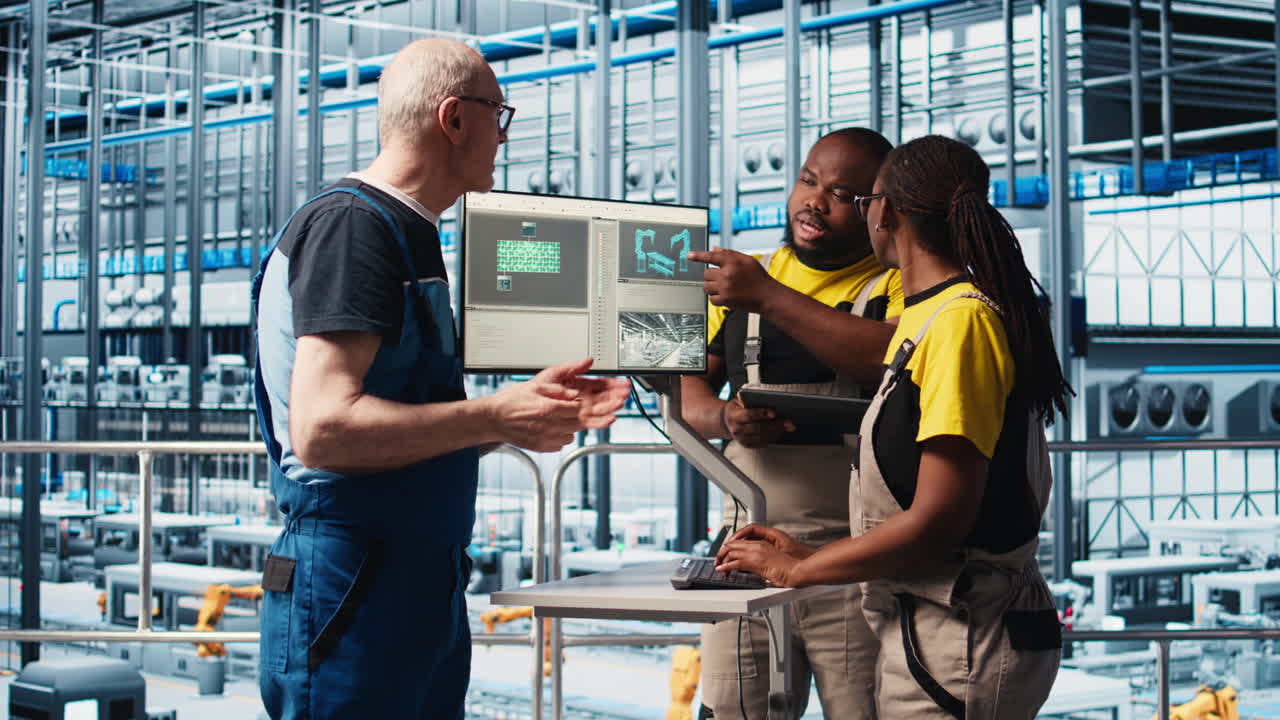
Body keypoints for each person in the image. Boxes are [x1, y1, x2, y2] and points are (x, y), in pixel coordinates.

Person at [251, 38, 630, 719]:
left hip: (409, 580)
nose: (503, 138)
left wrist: (526, 412)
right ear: (453, 118)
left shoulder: (408, 231)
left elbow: (410, 424)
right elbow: (324, 430)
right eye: (497, 116)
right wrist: (493, 415)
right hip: (351, 584)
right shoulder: (353, 228)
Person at [716, 134, 1070, 719]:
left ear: (883, 212)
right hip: (932, 626)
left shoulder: (960, 323)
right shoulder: (929, 316)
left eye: (855, 199)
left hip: (965, 635)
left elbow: (939, 520)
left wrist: (801, 569)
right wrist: (806, 553)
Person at [681, 128, 902, 720]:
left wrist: (768, 296)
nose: (814, 202)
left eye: (841, 194)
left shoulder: (891, 285)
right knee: (732, 709)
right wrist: (725, 417)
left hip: (850, 565)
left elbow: (886, 358)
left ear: (875, 210)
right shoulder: (738, 279)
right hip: (742, 558)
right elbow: (686, 395)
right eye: (808, 181)